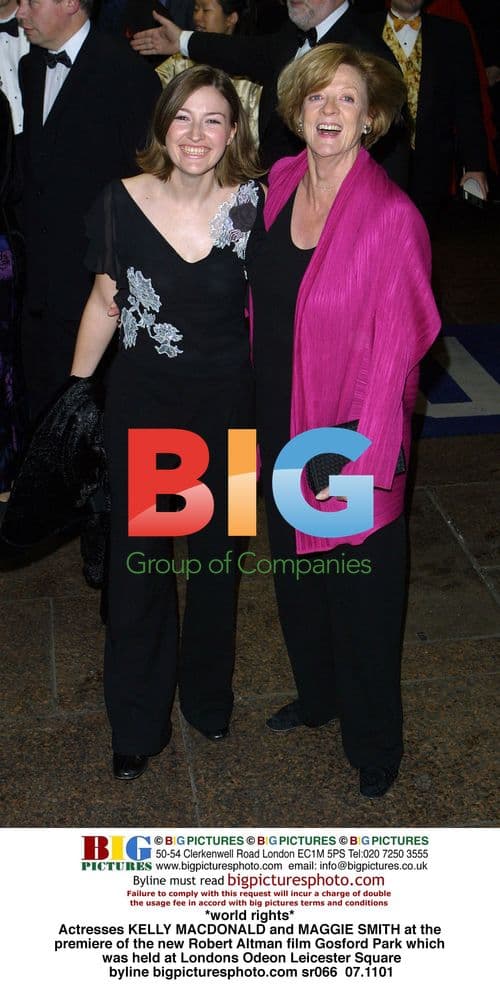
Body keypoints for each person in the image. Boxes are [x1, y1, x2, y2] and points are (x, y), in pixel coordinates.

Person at [245, 43, 441, 797]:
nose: (330, 111)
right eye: (318, 97)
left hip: (345, 434)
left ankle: (375, 742)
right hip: (271, 415)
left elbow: (398, 354)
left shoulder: (392, 216)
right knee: (294, 574)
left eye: (348, 99)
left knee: (359, 590)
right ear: (296, 109)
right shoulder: (278, 184)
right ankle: (318, 695)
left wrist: (360, 458)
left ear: (373, 118)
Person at [70, 65, 263, 780]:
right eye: (184, 117)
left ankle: (207, 698)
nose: (196, 134)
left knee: (219, 568)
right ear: (162, 124)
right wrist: (75, 394)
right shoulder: (121, 202)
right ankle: (137, 720)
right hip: (148, 413)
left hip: (231, 417)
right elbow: (103, 303)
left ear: (232, 132)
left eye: (214, 120)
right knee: (141, 572)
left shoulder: (250, 205)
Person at [16, 0, 161, 422]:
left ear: (71, 3)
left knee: (94, 417)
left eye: (29, 1)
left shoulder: (128, 74)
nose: (20, 11)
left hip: (99, 286)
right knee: (44, 407)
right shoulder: (29, 69)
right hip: (40, 284)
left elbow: (148, 182)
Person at [130, 0, 408, 176]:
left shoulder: (368, 54)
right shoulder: (289, 35)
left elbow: (391, 152)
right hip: (278, 189)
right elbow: (245, 52)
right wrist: (182, 40)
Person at [359, 1, 489, 228]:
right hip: (372, 158)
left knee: (420, 237)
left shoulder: (453, 34)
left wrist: (475, 165)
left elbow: (467, 105)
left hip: (431, 166)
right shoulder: (362, 28)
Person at [155, 0, 263, 145]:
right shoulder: (179, 63)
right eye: (195, 9)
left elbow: (252, 140)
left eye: (206, 11)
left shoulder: (250, 77)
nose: (197, 17)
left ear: (231, 19)